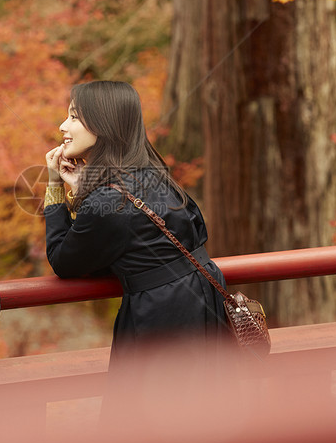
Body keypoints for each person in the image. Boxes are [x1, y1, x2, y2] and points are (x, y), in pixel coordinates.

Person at [43, 80, 233, 423]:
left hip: (162, 316)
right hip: (203, 300)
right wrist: (85, 190)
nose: (63, 127)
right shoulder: (153, 176)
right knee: (205, 417)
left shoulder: (109, 199)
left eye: (73, 117)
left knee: (149, 426)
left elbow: (63, 261)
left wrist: (55, 191)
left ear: (103, 125)